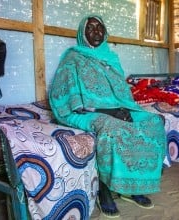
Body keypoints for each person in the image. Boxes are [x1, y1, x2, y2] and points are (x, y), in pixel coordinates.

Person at [49, 15, 166, 218]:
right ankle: (105, 192)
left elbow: (121, 93)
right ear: (82, 33)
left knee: (153, 122)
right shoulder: (73, 58)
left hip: (118, 108)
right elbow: (68, 98)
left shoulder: (112, 58)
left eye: (100, 28)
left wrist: (123, 110)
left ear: (105, 33)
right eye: (90, 28)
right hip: (85, 112)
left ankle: (133, 188)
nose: (96, 32)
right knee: (112, 129)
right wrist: (109, 112)